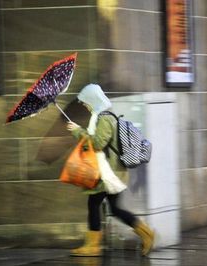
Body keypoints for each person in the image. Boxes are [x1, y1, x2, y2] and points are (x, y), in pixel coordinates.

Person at [66, 83, 155, 257]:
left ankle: (92, 247)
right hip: (112, 172)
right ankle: (146, 233)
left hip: (107, 173)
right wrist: (82, 131)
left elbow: (98, 144)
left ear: (93, 100)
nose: (85, 105)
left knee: (93, 205)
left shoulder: (104, 118)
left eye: (86, 102)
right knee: (113, 208)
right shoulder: (102, 116)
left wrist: (78, 131)